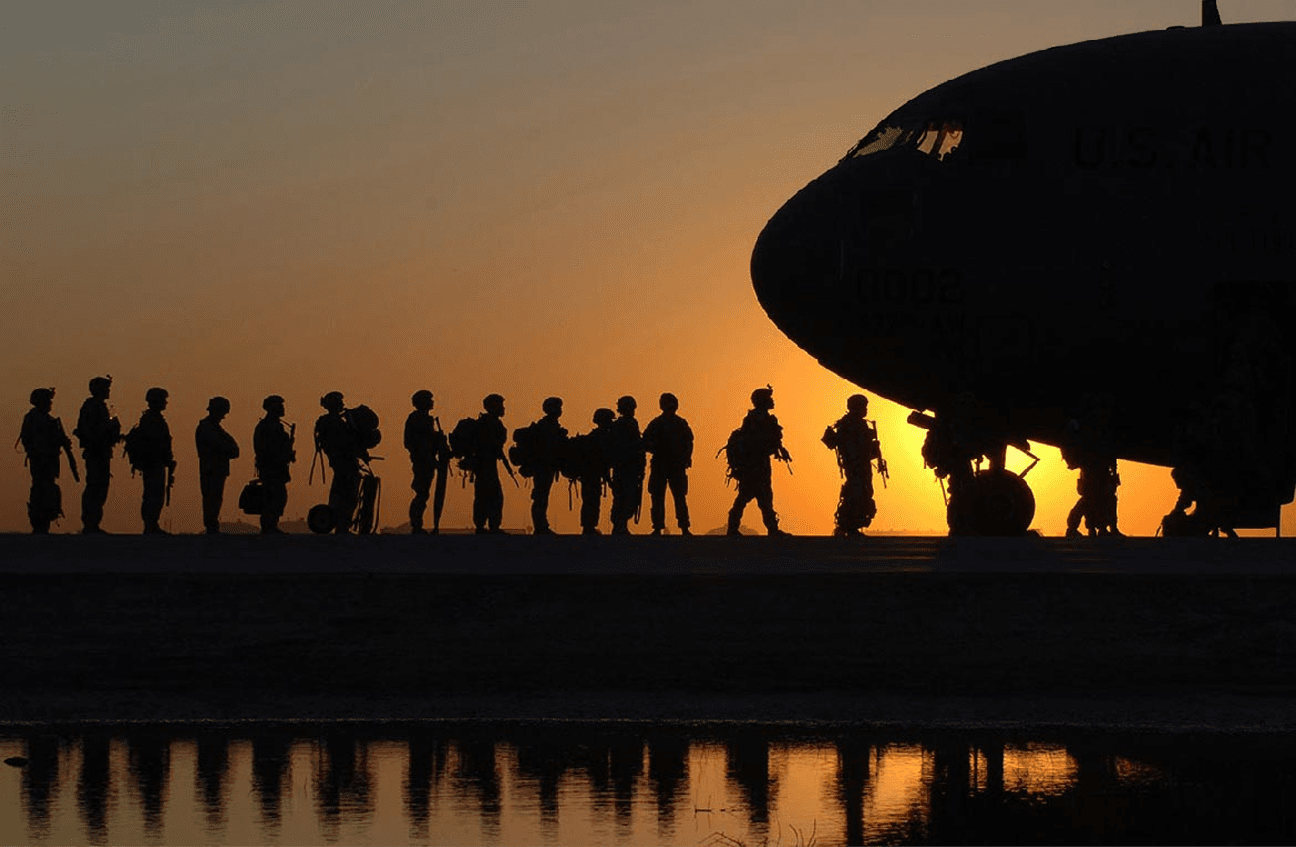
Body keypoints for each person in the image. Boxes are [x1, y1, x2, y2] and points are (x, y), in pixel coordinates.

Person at [725, 387, 791, 536]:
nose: (772, 401)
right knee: (749, 496)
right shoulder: (756, 419)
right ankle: (735, 527)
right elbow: (757, 442)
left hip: (759, 464)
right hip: (754, 465)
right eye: (769, 398)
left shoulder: (762, 418)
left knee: (762, 497)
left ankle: (770, 528)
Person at [822, 393, 884, 536]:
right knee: (857, 493)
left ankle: (850, 526)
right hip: (856, 466)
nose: (866, 410)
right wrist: (871, 446)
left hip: (859, 465)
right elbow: (855, 448)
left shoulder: (852, 423)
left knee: (860, 492)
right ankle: (849, 526)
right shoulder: (852, 424)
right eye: (864, 407)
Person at [1060, 394, 1122, 538]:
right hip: (1092, 464)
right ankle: (1081, 527)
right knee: (1091, 498)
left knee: (1104, 497)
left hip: (1099, 464)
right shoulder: (1088, 423)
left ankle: (1103, 528)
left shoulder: (1096, 421)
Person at [19, 388, 78, 533]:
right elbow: (30, 440)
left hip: (49, 460)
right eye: (47, 401)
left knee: (48, 489)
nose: (50, 404)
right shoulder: (34, 418)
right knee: (41, 489)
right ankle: (39, 522)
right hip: (41, 460)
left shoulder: (46, 419)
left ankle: (44, 520)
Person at [74, 376, 120, 533]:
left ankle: (93, 523)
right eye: (106, 389)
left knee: (100, 488)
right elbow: (92, 431)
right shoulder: (92, 407)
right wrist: (110, 427)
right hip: (96, 452)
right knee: (95, 487)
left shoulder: (99, 406)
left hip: (101, 452)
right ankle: (90, 524)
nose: (108, 391)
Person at [642, 392, 693, 536]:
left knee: (675, 497)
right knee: (663, 496)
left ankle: (678, 527)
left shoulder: (665, 423)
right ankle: (667, 527)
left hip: (672, 465)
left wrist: (685, 457)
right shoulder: (661, 423)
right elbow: (645, 442)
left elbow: (689, 443)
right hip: (665, 464)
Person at [313, 391, 364, 534]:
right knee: (346, 494)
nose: (342, 404)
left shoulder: (332, 421)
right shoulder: (334, 423)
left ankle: (341, 525)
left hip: (342, 462)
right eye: (339, 402)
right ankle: (341, 526)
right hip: (343, 462)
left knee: (343, 493)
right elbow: (347, 440)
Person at [403, 390, 450, 534]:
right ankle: (416, 525)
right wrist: (430, 458)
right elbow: (417, 443)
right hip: (422, 461)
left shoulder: (425, 419)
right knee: (422, 493)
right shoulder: (417, 419)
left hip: (427, 460)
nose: (432, 402)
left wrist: (439, 440)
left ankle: (417, 524)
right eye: (429, 399)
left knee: (423, 493)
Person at [130, 387, 176, 535]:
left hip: (156, 462)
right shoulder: (151, 420)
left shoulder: (154, 419)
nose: (165, 403)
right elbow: (155, 443)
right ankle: (150, 525)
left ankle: (152, 524)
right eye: (163, 400)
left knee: (156, 494)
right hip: (153, 463)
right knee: (153, 494)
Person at [195, 396, 241, 534]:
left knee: (215, 498)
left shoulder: (215, 428)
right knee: (211, 498)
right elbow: (222, 446)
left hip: (216, 469)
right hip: (211, 469)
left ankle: (212, 525)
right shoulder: (207, 428)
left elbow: (234, 449)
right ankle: (211, 526)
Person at [524, 397, 568, 534]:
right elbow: (547, 447)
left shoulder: (551, 425)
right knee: (540, 497)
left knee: (542, 496)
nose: (560, 410)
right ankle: (540, 526)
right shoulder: (545, 426)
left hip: (548, 466)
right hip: (543, 467)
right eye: (558, 407)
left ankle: (541, 525)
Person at [253, 395, 295, 534]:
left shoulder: (276, 425)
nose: (282, 408)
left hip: (277, 467)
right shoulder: (266, 426)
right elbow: (267, 448)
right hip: (271, 467)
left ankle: (271, 524)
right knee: (272, 496)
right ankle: (268, 526)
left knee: (278, 497)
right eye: (279, 405)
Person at [471, 394, 511, 533]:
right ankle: (489, 526)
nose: (503, 408)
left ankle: (484, 525)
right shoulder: (488, 423)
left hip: (487, 464)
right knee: (492, 496)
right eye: (500, 405)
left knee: (486, 495)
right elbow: (488, 444)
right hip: (484, 464)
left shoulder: (490, 422)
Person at [608, 395, 646, 535]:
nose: (633, 411)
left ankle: (621, 525)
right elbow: (621, 447)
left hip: (631, 468)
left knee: (628, 497)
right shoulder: (620, 426)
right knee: (622, 497)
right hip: (624, 468)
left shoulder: (631, 423)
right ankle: (619, 525)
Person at [576, 408, 617, 534]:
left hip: (590, 474)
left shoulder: (596, 435)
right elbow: (602, 460)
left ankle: (588, 526)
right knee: (592, 500)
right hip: (591, 475)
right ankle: (588, 527)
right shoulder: (600, 437)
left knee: (590, 500)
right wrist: (609, 480)